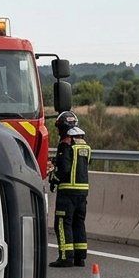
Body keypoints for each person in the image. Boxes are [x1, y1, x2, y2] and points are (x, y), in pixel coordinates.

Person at [50, 111, 92, 267]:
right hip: (82, 191)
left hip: (68, 192)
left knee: (62, 223)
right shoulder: (84, 144)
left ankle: (65, 257)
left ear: (63, 126)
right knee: (78, 223)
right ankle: (79, 257)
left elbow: (64, 168)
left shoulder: (65, 144)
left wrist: (54, 178)